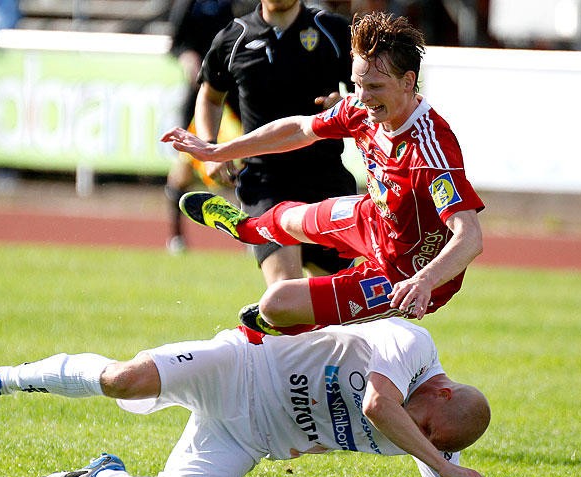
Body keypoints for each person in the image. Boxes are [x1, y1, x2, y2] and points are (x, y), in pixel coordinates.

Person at [0, 318, 539, 477]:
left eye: (436, 445)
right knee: (124, 378)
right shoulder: (411, 345)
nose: (425, 443)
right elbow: (379, 405)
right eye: (432, 431)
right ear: (442, 389)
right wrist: (436, 459)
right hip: (240, 368)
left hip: (251, 438)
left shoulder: (434, 441)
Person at [161, 11, 484, 336]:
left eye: (374, 86)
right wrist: (217, 150)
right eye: (357, 85)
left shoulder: (431, 151)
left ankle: (290, 325)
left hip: (406, 274)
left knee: (276, 303)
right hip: (372, 220)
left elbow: (470, 236)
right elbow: (299, 129)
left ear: (408, 81)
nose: (363, 98)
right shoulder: (363, 109)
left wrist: (424, 280)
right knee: (287, 221)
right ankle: (248, 230)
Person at [190, 0, 357, 285]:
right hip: (265, 182)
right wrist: (210, 145)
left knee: (331, 301)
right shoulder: (234, 37)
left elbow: (371, 94)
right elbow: (209, 95)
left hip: (327, 178)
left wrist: (347, 104)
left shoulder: (333, 30)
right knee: (286, 293)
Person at [164, 0, 251, 253]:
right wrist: (185, 55)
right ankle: (176, 237)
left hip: (234, 90)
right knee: (183, 165)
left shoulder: (235, 4)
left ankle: (251, 230)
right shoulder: (188, 3)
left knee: (249, 158)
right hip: (201, 91)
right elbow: (175, 42)